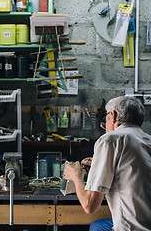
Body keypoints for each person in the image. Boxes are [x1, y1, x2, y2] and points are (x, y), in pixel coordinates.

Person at [64, 96, 151, 231]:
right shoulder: (147, 139)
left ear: (113, 115)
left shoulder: (110, 140)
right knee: (97, 226)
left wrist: (76, 176)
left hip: (131, 228)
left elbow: (90, 206)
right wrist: (99, 166)